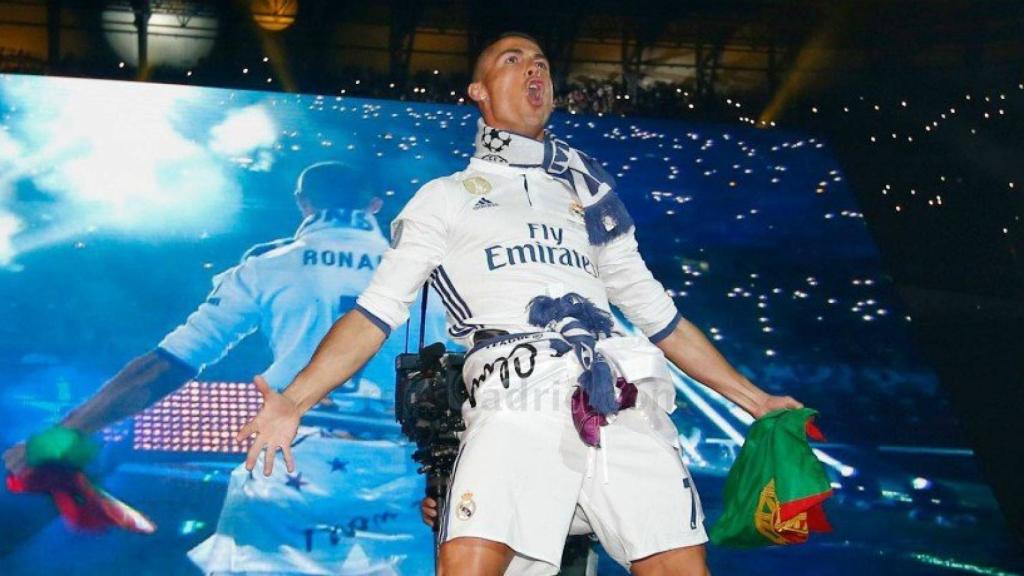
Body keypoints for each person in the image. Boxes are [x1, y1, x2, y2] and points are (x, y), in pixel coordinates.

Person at [237, 32, 803, 576]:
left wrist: (755, 399)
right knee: (468, 562)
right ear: (478, 92)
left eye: (542, 63)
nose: (535, 67)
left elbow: (658, 315)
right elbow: (375, 314)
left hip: (618, 394)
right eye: (513, 59)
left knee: (678, 565)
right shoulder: (445, 198)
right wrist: (293, 400)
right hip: (514, 394)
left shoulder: (589, 195)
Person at [3, 161, 442, 573]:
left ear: (304, 203)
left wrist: (68, 431)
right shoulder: (430, 278)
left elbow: (167, 365)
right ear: (375, 206)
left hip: (290, 464)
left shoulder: (269, 266)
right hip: (399, 476)